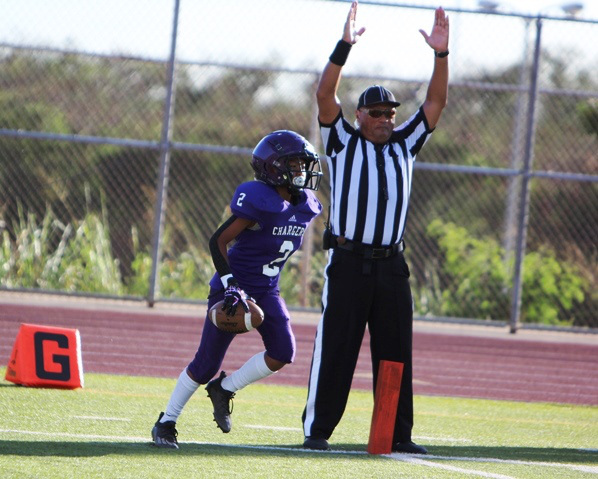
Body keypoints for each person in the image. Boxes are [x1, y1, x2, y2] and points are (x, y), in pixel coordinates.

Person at [302, 1, 449, 453]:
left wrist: (441, 55)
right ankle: (317, 431)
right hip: (348, 261)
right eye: (377, 113)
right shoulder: (342, 141)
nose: (386, 119)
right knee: (337, 347)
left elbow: (435, 103)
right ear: (360, 116)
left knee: (395, 351)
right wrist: (344, 46)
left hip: (391, 266)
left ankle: (396, 435)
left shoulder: (406, 143)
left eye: (390, 113)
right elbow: (324, 95)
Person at [152, 130, 323, 449]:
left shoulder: (306, 205)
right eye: (295, 164)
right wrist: (230, 284)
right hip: (233, 288)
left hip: (267, 290)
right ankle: (166, 421)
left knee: (283, 352)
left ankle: (225, 389)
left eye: (303, 164)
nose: (302, 170)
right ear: (273, 167)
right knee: (205, 364)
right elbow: (218, 241)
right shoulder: (259, 199)